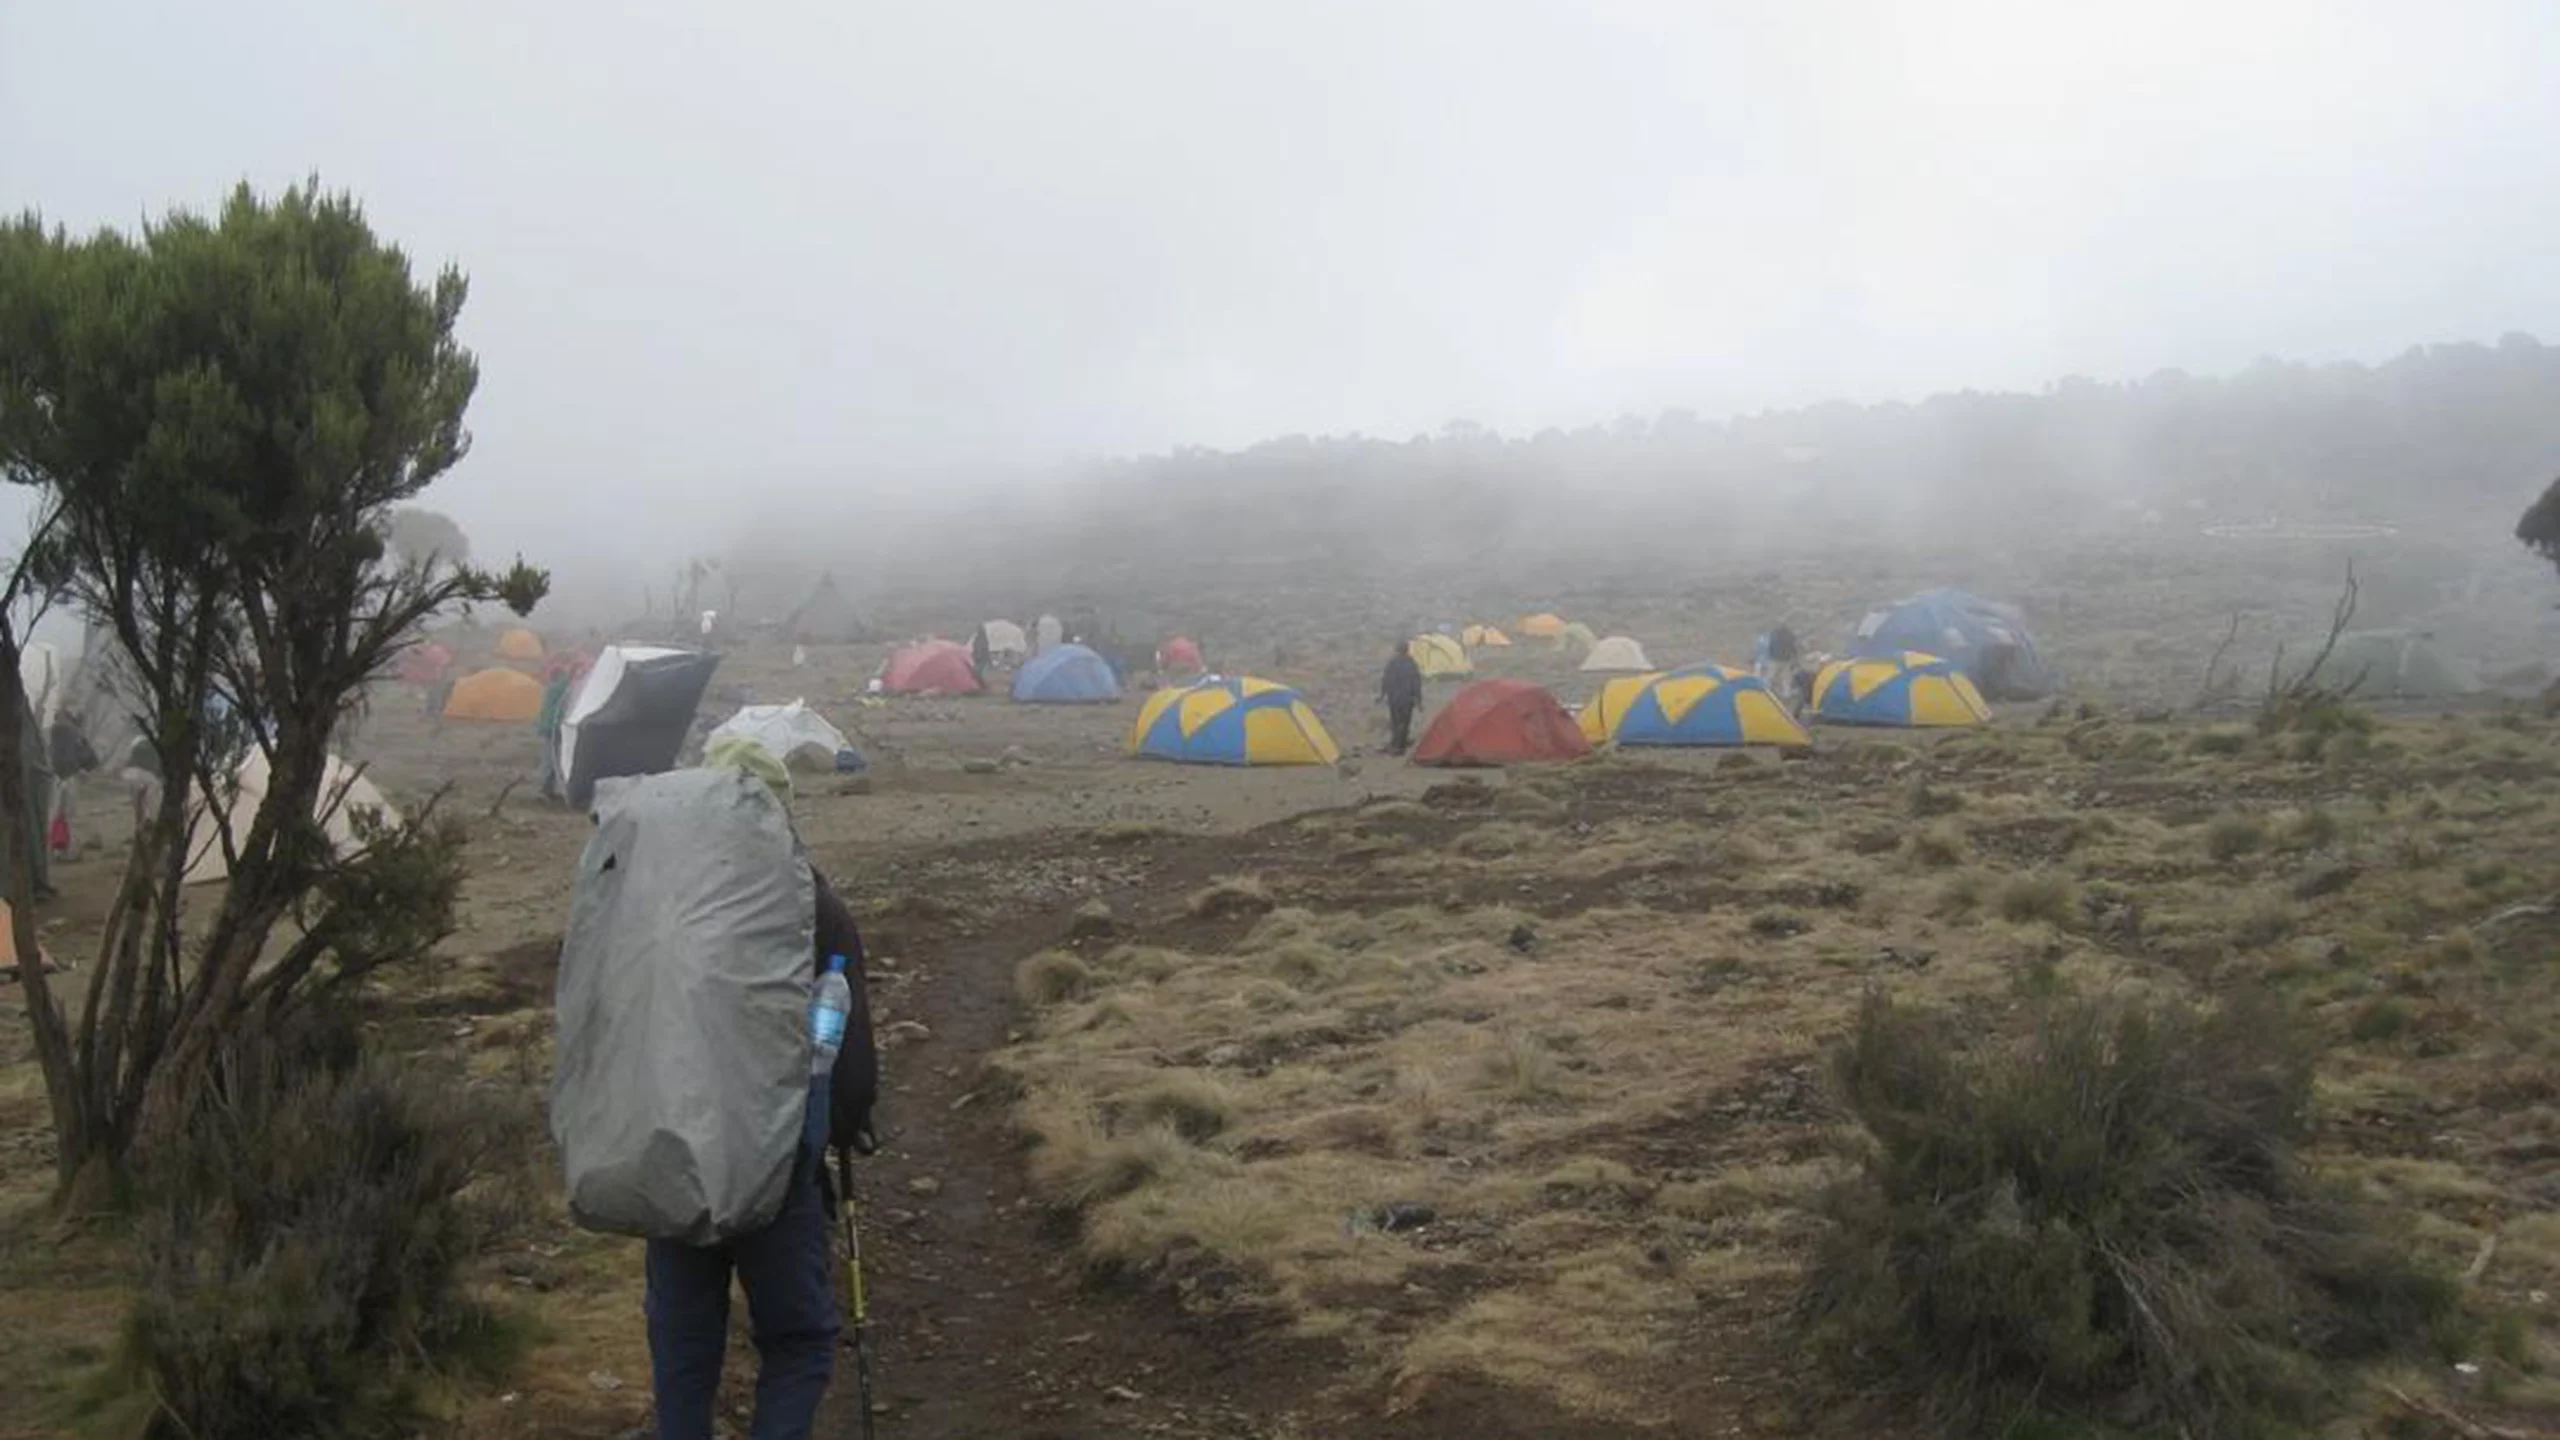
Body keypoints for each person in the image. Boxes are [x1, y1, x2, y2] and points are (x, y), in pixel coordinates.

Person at [643, 745, 879, 1440]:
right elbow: (850, 1060)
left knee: (683, 1346)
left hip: (675, 1156)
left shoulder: (661, 899)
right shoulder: (813, 904)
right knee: (798, 1341)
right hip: (776, 1162)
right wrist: (845, 1125)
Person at [45, 712, 96, 859]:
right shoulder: (73, 734)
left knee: (55, 814)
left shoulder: (54, 733)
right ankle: (69, 850)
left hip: (58, 777)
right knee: (68, 816)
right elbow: (90, 759)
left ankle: (52, 850)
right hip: (69, 776)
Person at [534, 666, 575, 802]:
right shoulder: (562, 689)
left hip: (550, 727)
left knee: (551, 757)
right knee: (555, 758)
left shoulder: (552, 690)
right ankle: (548, 789)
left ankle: (549, 788)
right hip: (555, 727)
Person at [1380, 641, 1424, 756]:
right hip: (1407, 698)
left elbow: (1386, 680)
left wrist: (1382, 695)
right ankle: (1400, 745)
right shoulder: (1411, 663)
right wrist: (1418, 700)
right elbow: (1416, 682)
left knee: (1395, 721)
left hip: (1394, 698)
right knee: (1405, 722)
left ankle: (1396, 744)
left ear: (1397, 649)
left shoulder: (1392, 663)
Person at [969, 623, 992, 687]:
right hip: (981, 658)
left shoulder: (978, 638)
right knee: (980, 672)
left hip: (980, 658)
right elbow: (983, 648)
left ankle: (979, 683)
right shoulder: (983, 638)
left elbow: (979, 648)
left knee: (979, 672)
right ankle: (980, 684)